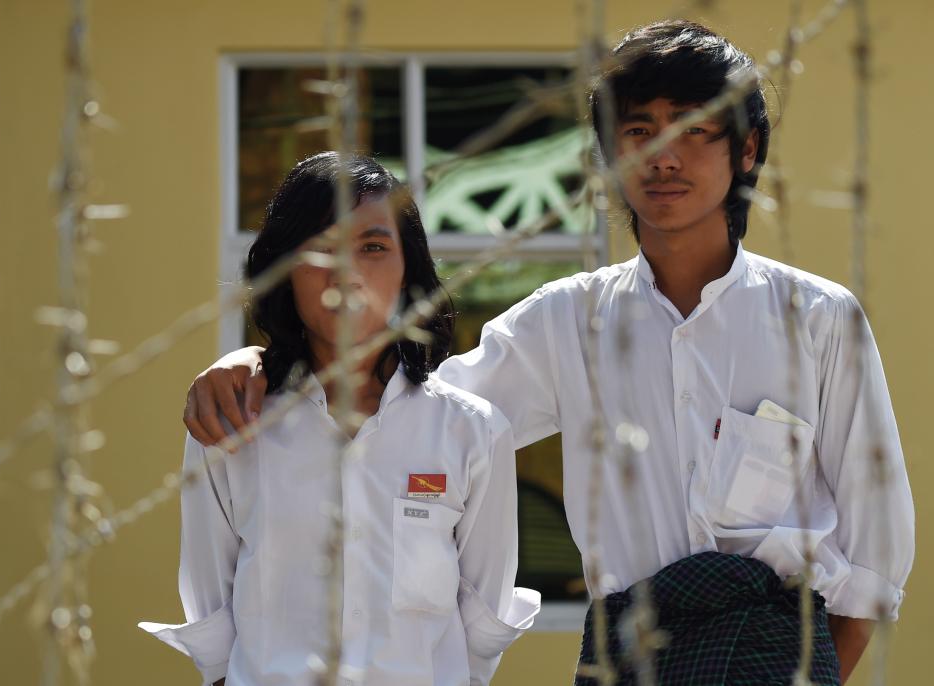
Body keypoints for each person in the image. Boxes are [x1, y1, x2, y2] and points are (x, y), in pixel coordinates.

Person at [182, 21, 914, 685]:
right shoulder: (569, 320)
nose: (664, 155)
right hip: (627, 661)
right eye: (638, 129)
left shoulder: (819, 320)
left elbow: (877, 560)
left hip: (776, 658)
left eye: (695, 130)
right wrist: (262, 362)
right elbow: (411, 406)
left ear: (747, 149)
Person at [140, 152, 540, 686]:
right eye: (319, 250)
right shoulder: (233, 424)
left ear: (408, 270)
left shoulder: (473, 430)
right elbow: (210, 612)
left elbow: (482, 623)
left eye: (373, 248)